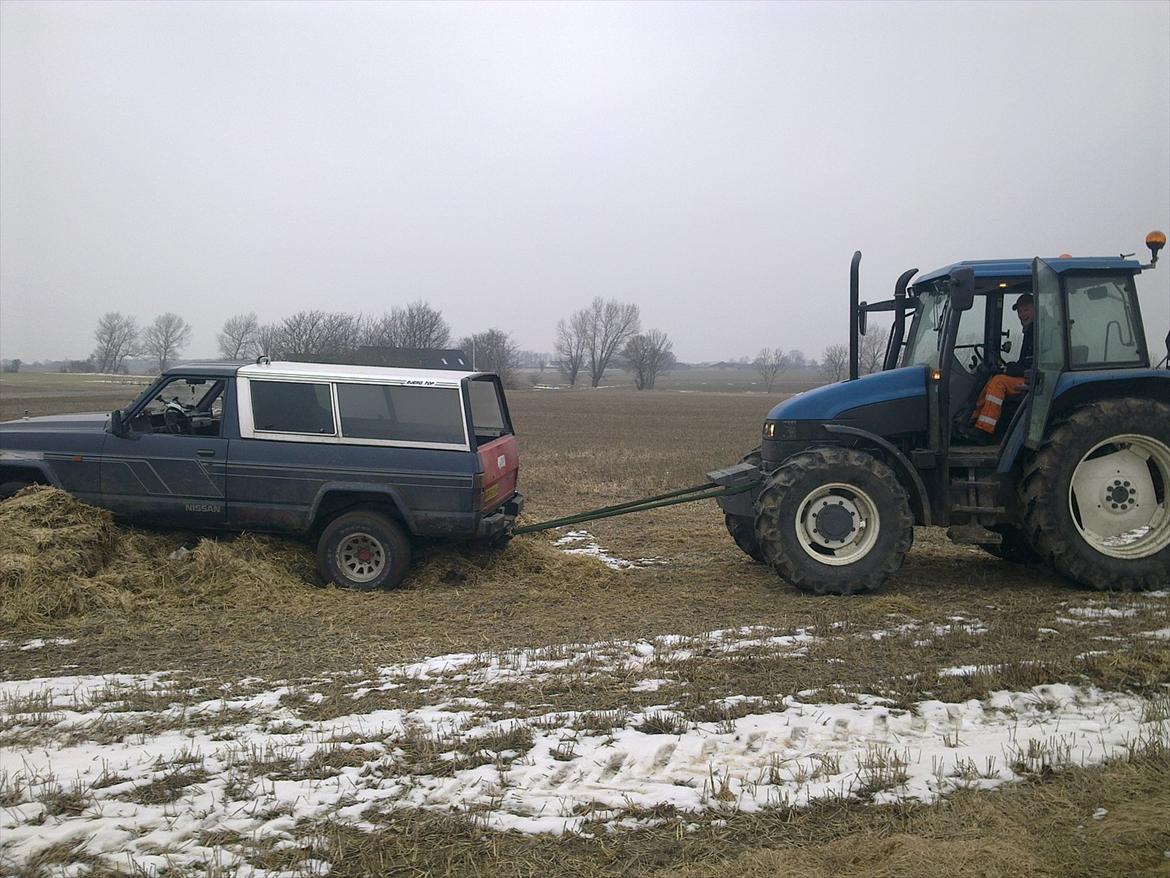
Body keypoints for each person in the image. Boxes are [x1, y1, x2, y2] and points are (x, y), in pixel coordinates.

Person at [969, 293, 1034, 436]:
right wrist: (1009, 367)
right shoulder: (1029, 332)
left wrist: (1012, 369)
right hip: (1027, 374)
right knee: (990, 379)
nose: (1022, 314)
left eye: (1026, 310)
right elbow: (1025, 362)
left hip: (1036, 379)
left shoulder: (1041, 332)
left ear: (1036, 309)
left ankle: (984, 429)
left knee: (998, 383)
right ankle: (972, 420)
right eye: (1020, 311)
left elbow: (1035, 364)